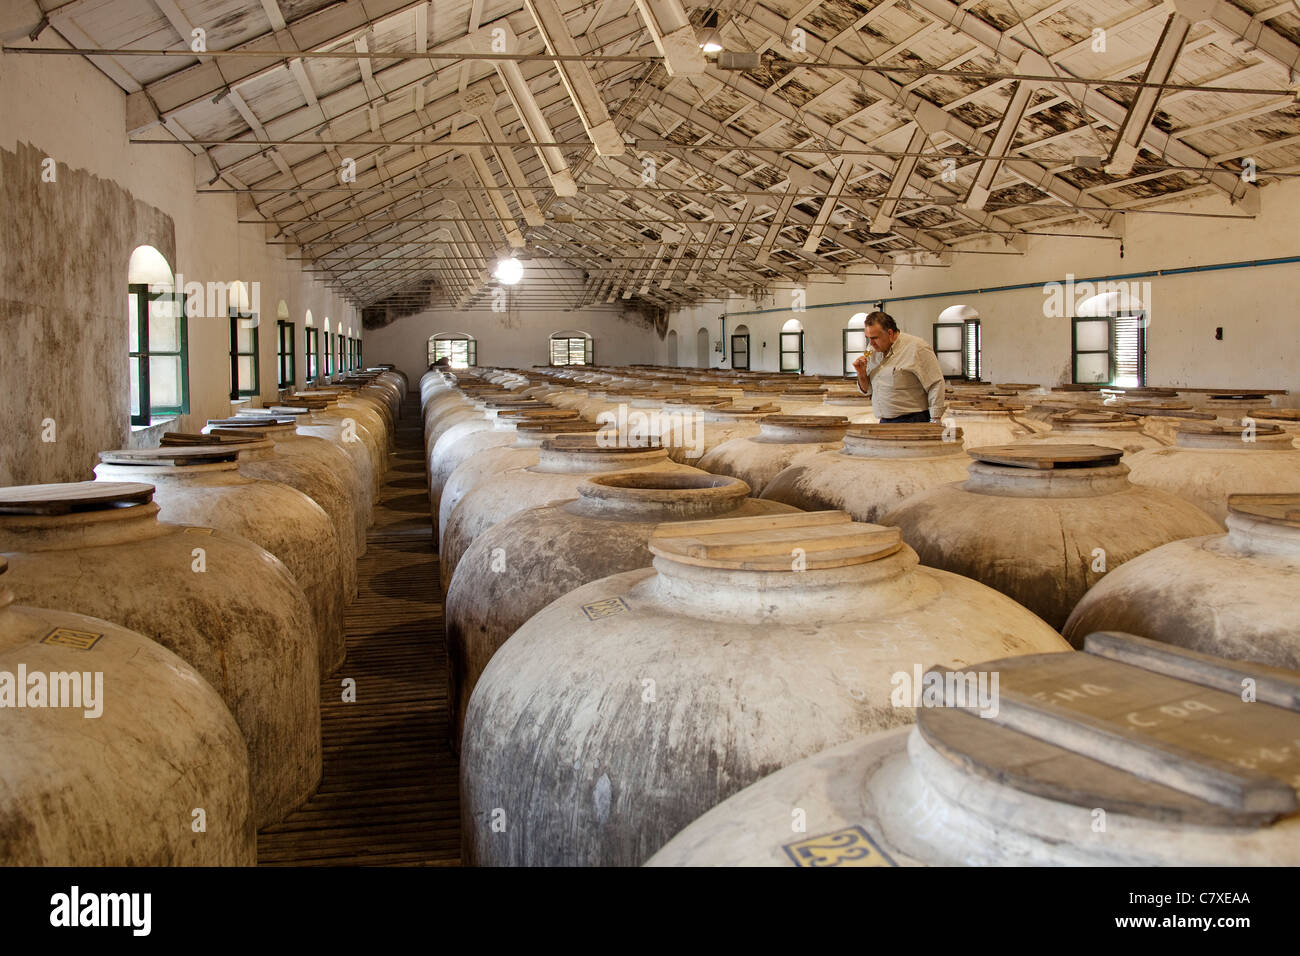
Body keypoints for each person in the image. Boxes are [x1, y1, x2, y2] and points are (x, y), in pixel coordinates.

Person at [851, 311, 946, 424]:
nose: (871, 343)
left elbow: (935, 383)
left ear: (890, 333)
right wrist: (861, 374)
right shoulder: (872, 351)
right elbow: (867, 390)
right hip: (885, 420)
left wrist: (935, 420)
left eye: (874, 338)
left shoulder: (917, 347)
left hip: (913, 420)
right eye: (868, 338)